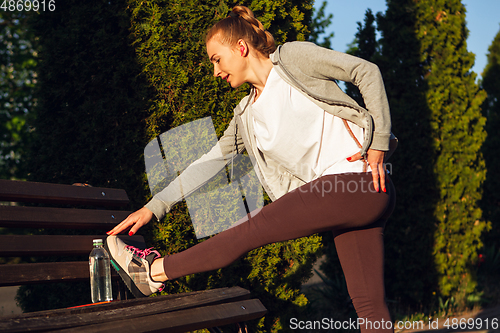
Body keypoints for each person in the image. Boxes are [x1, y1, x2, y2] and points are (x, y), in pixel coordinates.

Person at [106, 5, 397, 332]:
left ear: (241, 48)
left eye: (217, 59)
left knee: (248, 229)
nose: (215, 71)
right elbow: (211, 162)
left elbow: (366, 71)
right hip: (350, 197)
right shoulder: (245, 116)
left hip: (357, 181)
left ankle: (152, 271)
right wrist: (155, 206)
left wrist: (378, 143)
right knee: (369, 305)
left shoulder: (292, 60)